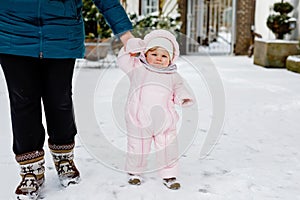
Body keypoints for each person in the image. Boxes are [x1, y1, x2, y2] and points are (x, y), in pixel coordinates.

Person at [0, 1, 133, 199]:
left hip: (61, 34)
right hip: (13, 33)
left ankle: (64, 159)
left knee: (59, 101)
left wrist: (126, 34)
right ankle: (30, 169)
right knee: (23, 102)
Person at [117, 30, 194, 190]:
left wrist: (183, 97)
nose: (159, 58)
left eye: (164, 56)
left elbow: (179, 88)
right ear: (146, 54)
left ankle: (170, 175)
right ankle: (134, 172)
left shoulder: (173, 75)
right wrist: (129, 47)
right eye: (154, 54)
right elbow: (123, 61)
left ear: (171, 59)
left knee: (168, 148)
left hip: (164, 122)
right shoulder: (137, 68)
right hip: (138, 119)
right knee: (137, 147)